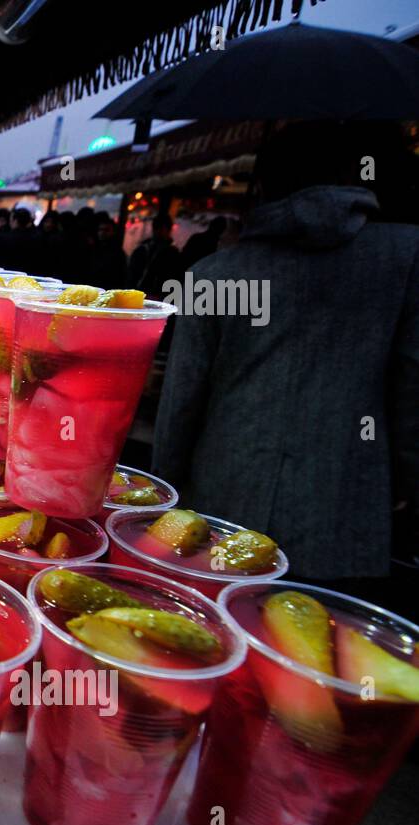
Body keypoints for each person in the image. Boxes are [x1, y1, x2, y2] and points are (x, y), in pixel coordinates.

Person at [152, 121, 419, 610]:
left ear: (263, 185)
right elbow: (411, 388)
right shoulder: (404, 258)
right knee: (328, 660)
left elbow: (180, 403)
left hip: (222, 501)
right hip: (346, 508)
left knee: (221, 644)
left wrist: (162, 500)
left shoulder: (213, 274)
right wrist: (405, 481)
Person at [128, 212, 184, 299]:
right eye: (157, 228)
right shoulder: (143, 249)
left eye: (162, 228)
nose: (159, 231)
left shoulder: (172, 253)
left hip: (154, 296)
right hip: (143, 295)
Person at [89, 211, 127, 288]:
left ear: (113, 232)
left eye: (106, 230)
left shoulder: (117, 253)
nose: (102, 233)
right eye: (100, 230)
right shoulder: (94, 248)